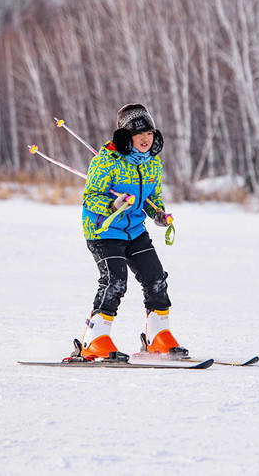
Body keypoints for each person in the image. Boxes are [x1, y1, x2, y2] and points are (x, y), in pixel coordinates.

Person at [74, 103, 186, 361]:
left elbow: (151, 198)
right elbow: (90, 197)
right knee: (115, 281)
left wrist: (158, 213)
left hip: (134, 230)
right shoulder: (105, 162)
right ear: (126, 137)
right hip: (103, 230)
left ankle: (158, 336)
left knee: (155, 277)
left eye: (149, 134)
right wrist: (112, 204)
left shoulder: (152, 164)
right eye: (139, 134)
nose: (146, 139)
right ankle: (95, 339)